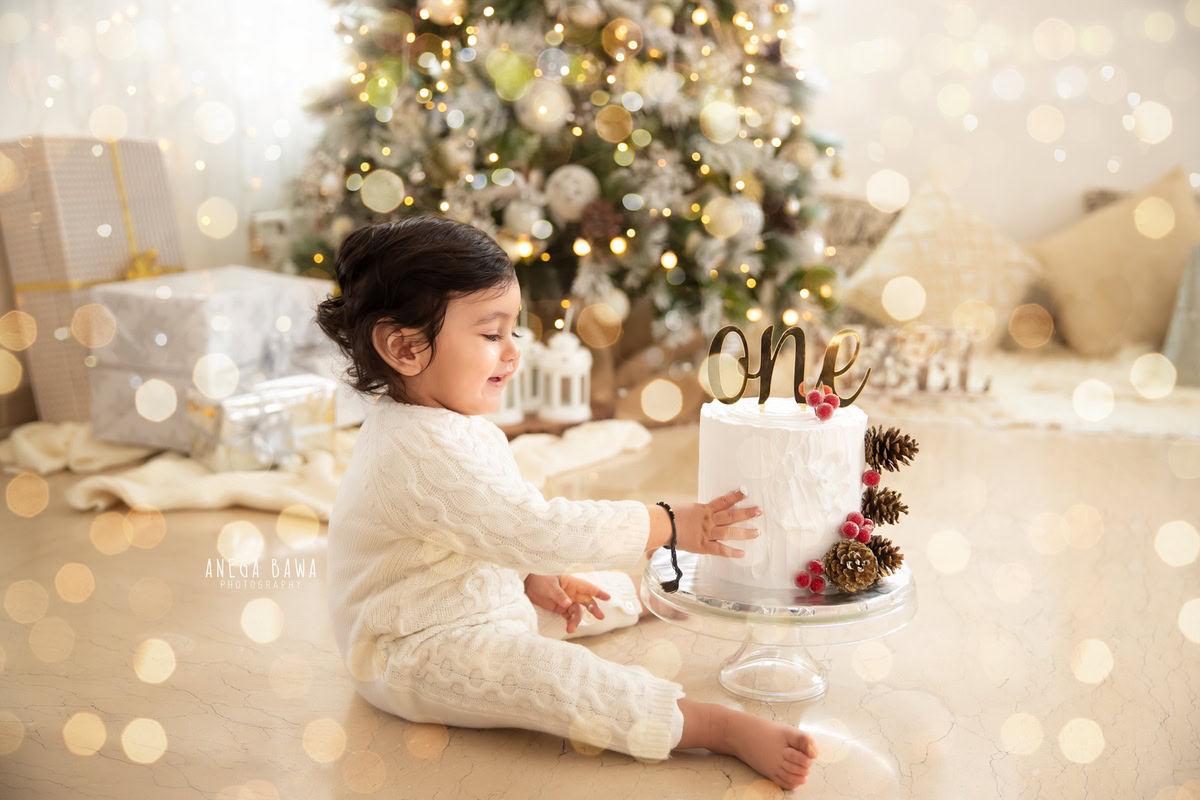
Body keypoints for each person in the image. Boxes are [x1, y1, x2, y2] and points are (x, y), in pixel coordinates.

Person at [317, 216, 818, 790]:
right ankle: (713, 727)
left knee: (580, 592)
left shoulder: (447, 423)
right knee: (559, 680)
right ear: (404, 347)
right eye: (490, 335)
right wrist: (668, 523)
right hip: (413, 648)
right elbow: (532, 527)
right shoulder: (416, 450)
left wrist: (535, 576)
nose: (513, 354)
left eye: (514, 332)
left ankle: (641, 597)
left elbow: (491, 526)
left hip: (473, 600)